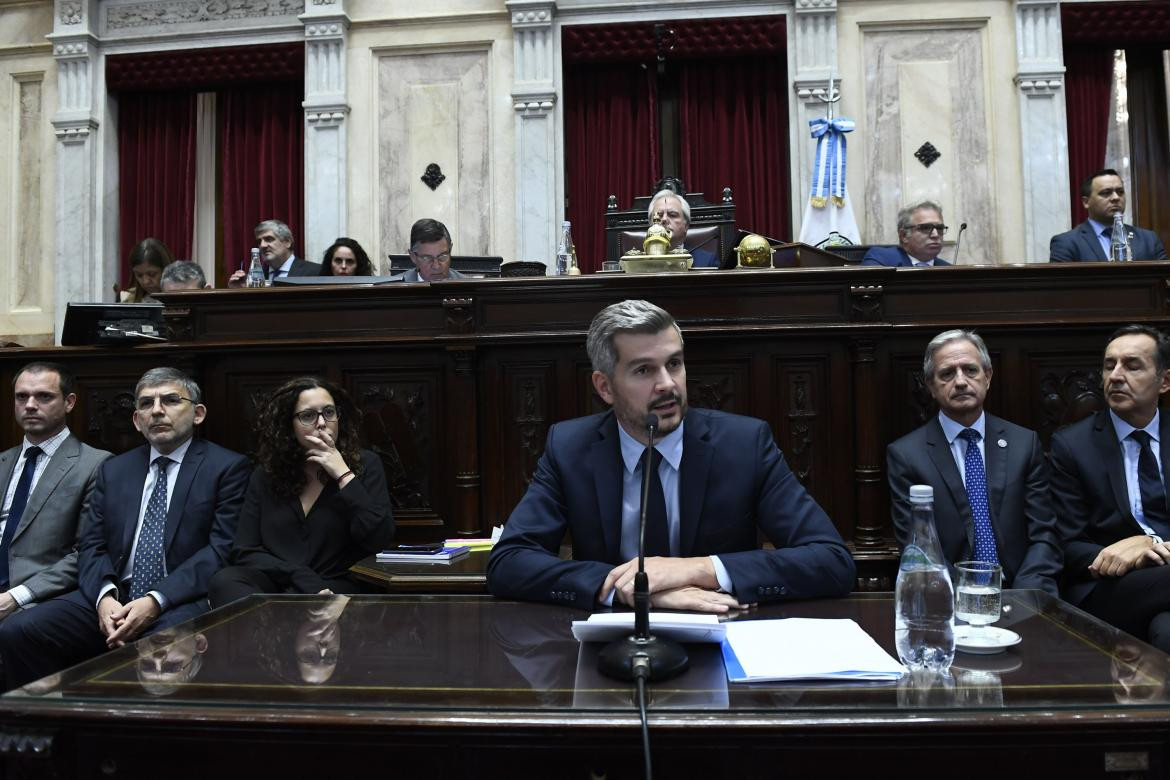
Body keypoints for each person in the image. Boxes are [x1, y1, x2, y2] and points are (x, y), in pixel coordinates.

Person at [486, 299, 856, 612]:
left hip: (725, 634)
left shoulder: (744, 443)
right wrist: (631, 589)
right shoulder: (570, 447)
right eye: (644, 370)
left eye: (674, 364)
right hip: (614, 642)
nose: (667, 384)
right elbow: (508, 562)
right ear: (605, 387)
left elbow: (831, 561)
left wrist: (696, 570)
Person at [0, 367, 251, 690]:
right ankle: (41, 725)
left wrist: (156, 599)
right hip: (114, 594)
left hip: (178, 598)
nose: (157, 410)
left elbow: (220, 550)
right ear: (136, 420)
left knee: (162, 648)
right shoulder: (115, 469)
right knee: (19, 630)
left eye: (171, 400)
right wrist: (104, 597)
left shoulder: (227, 468)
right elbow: (92, 546)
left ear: (198, 413)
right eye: (146, 404)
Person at [885, 330, 1062, 595]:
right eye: (947, 374)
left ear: (987, 377)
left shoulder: (1024, 444)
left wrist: (1027, 597)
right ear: (931, 386)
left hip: (1021, 591)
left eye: (970, 370)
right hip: (951, 597)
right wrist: (962, 599)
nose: (960, 381)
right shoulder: (906, 456)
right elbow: (919, 548)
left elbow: (1044, 535)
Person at [209, 377, 394, 605]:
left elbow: (379, 539)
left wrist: (343, 474)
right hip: (280, 582)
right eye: (308, 416)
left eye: (329, 412)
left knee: (296, 601)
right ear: (289, 425)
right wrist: (296, 574)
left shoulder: (366, 464)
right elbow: (245, 551)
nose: (322, 423)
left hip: (339, 586)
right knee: (225, 581)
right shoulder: (266, 474)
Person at [1050, 324, 1170, 651]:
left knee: (1165, 631)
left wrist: (1154, 544)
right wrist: (1126, 556)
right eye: (1108, 365)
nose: (1115, 375)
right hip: (1109, 588)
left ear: (1165, 381)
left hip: (1162, 586)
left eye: (1132, 365)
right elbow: (1066, 544)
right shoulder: (1072, 445)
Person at [0, 363, 111, 622]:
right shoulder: (3, 462)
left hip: (37, 598)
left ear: (69, 402)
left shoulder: (96, 464)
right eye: (22, 396)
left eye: (44, 396)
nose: (30, 405)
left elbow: (86, 552)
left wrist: (16, 596)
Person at [1049, 169, 1168, 262]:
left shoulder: (1148, 239)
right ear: (1086, 202)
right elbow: (1060, 291)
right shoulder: (1066, 243)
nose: (1116, 198)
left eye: (1120, 192)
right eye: (1106, 193)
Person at [228, 220, 321, 286]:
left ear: (287, 242)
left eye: (269, 239)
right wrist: (239, 291)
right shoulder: (254, 278)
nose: (262, 245)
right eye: (259, 241)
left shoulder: (315, 271)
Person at [862, 201, 953, 267]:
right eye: (926, 228)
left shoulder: (950, 270)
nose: (935, 235)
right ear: (904, 235)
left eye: (940, 228)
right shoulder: (880, 260)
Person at [647, 189, 719, 268]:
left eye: (672, 215)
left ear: (686, 225)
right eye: (659, 216)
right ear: (651, 225)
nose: (664, 219)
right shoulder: (637, 261)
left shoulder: (707, 262)